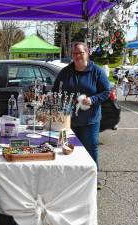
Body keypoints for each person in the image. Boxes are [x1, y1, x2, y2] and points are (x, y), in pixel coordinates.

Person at [52, 42, 110, 190]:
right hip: (68, 120)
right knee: (68, 149)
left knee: (90, 148)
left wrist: (92, 99)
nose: (77, 56)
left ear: (87, 53)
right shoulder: (65, 72)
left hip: (89, 120)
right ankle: (73, 178)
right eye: (74, 54)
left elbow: (106, 92)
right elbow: (55, 90)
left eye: (80, 53)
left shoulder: (96, 72)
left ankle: (93, 179)